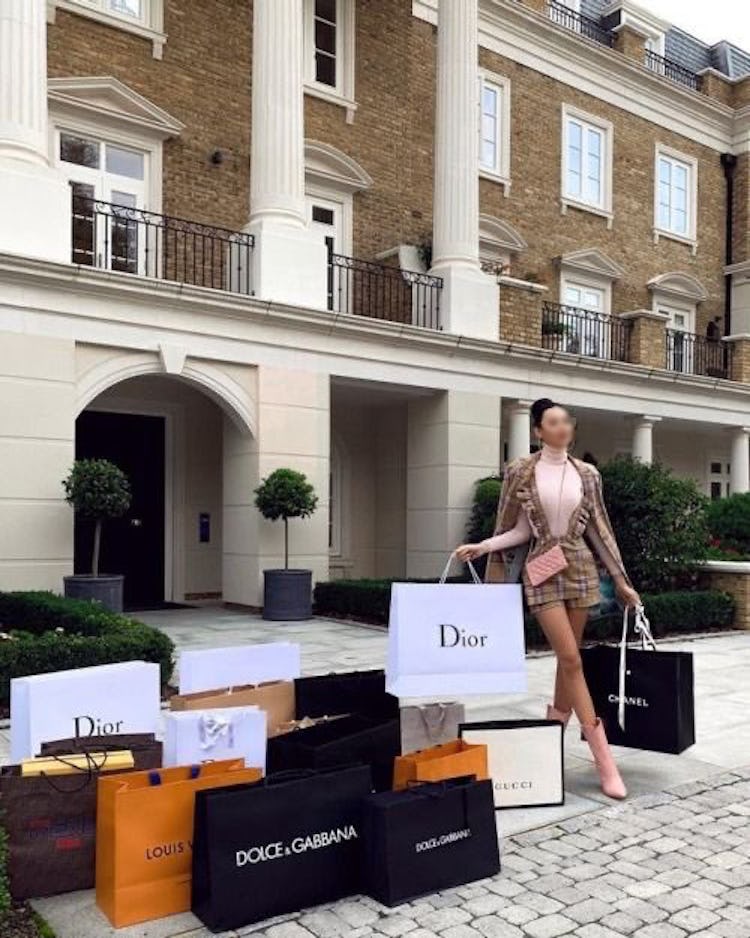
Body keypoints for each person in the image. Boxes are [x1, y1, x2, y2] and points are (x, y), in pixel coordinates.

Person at [455, 398, 640, 800]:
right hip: (541, 568)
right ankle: (603, 759)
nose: (562, 428)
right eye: (553, 423)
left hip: (579, 567)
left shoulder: (587, 474)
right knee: (571, 659)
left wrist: (620, 581)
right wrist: (484, 546)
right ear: (538, 430)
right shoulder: (521, 470)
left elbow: (600, 531)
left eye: (566, 422)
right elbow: (517, 527)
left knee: (567, 661)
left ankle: (549, 743)